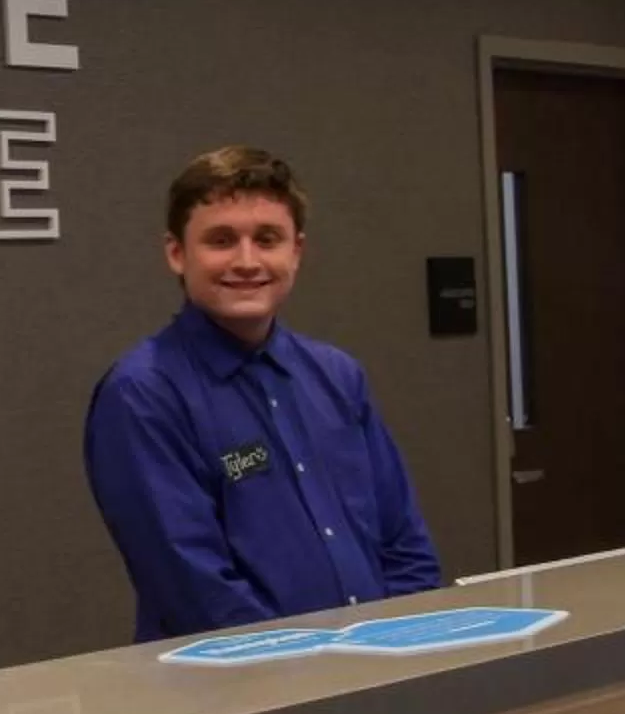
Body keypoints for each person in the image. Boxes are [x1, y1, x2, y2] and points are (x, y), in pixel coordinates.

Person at [83, 146, 443, 641]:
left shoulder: (338, 376)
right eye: (221, 240)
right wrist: (313, 665)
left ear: (296, 251)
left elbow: (406, 545)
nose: (247, 261)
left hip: (376, 672)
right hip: (242, 683)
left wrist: (400, 644)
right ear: (176, 253)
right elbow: (196, 591)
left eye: (267, 239)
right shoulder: (142, 394)